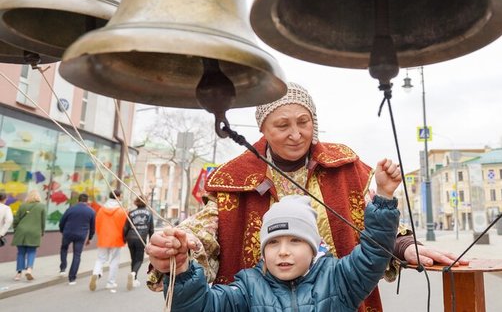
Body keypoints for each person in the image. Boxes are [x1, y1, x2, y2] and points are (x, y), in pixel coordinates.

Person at [146, 82, 466, 311]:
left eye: (304, 122)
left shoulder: (345, 164)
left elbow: (373, 227)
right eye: (282, 125)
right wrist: (180, 247)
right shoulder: (235, 177)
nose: (296, 134)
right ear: (264, 130)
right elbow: (205, 231)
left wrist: (405, 247)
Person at [164, 157, 401, 311]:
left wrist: (384, 197)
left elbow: (374, 254)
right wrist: (182, 272)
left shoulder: (339, 279)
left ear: (314, 247)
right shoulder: (247, 288)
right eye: (273, 242)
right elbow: (199, 306)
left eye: (296, 240)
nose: (283, 251)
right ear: (263, 249)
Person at [90, 189, 127, 293]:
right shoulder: (121, 211)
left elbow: (97, 224)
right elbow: (125, 226)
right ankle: (110, 283)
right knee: (114, 260)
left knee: (100, 259)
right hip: (116, 238)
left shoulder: (101, 210)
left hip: (103, 237)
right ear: (118, 197)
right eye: (121, 196)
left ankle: (96, 273)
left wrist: (100, 234)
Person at [59, 193, 96, 285]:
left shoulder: (70, 209)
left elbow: (62, 221)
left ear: (78, 200)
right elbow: (92, 227)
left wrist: (62, 230)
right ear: (87, 201)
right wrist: (90, 238)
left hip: (68, 233)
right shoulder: (91, 211)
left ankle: (63, 268)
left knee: (64, 248)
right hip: (81, 235)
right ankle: (72, 278)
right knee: (77, 255)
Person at [12, 190, 45, 281]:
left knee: (21, 253)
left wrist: (15, 229)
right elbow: (43, 221)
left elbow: (16, 220)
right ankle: (29, 269)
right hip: (34, 232)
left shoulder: (22, 205)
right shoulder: (42, 206)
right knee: (32, 251)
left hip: (21, 231)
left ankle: (18, 274)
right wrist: (42, 231)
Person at [123, 196, 154, 290]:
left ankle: (134, 278)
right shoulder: (149, 213)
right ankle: (133, 274)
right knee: (139, 259)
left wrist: (124, 238)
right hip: (141, 238)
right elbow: (151, 229)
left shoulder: (131, 213)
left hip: (130, 237)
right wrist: (151, 241)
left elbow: (125, 227)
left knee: (133, 258)